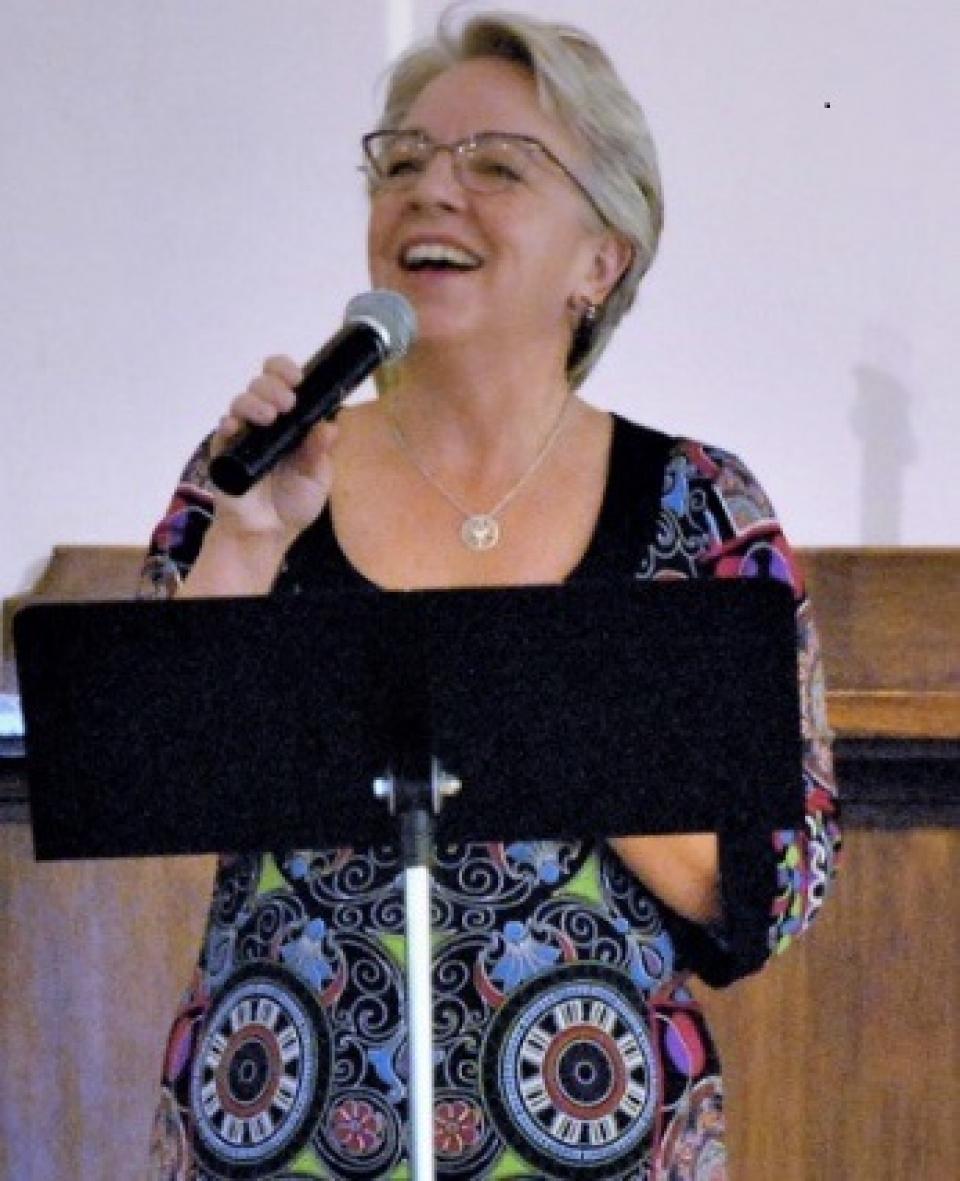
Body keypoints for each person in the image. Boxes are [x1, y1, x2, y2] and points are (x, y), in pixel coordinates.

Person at [142, 8, 840, 1179]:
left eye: (497, 168)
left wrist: (514, 689)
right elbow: (152, 782)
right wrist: (250, 542)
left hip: (596, 1129)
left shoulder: (700, 508)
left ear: (601, 257)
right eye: (403, 162)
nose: (432, 193)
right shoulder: (261, 472)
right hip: (277, 1126)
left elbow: (780, 877)